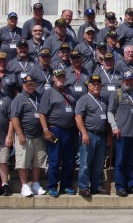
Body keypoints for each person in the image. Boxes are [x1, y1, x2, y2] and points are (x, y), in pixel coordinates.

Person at [39, 69, 78, 197]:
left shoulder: (68, 91)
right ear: (53, 79)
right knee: (55, 160)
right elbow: (42, 113)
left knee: (69, 160)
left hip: (69, 130)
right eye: (58, 77)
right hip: (55, 129)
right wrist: (46, 130)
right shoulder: (49, 92)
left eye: (62, 76)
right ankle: (52, 186)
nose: (61, 79)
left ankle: (66, 186)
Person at [10, 75, 47, 197]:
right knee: (23, 162)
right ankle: (24, 185)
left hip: (38, 135)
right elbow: (14, 117)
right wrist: (20, 134)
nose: (30, 87)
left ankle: (35, 184)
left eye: (32, 84)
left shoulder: (38, 97)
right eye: (28, 85)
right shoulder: (19, 99)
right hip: (25, 135)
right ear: (23, 86)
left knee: (38, 161)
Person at [75, 74, 109, 197]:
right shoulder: (83, 99)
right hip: (89, 134)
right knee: (85, 163)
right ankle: (83, 187)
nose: (96, 86)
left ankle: (96, 186)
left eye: (98, 84)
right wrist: (84, 133)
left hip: (101, 135)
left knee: (98, 163)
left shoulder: (103, 100)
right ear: (88, 86)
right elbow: (78, 117)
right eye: (93, 84)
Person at [107, 71, 133, 197]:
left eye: (131, 80)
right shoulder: (117, 94)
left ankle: (131, 185)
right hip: (121, 133)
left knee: (132, 162)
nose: (129, 82)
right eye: (127, 80)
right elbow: (110, 112)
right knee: (120, 161)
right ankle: (120, 186)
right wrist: (114, 127)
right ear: (122, 81)